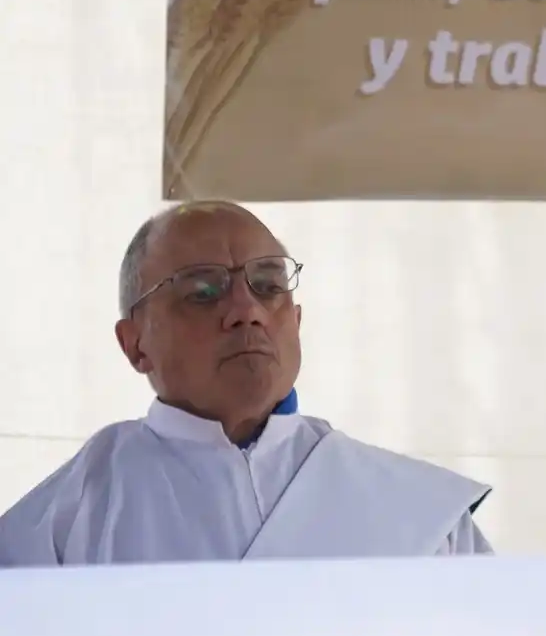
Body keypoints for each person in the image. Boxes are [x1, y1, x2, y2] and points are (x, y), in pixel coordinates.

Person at [0, 201, 493, 564]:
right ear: (135, 344)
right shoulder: (67, 519)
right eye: (203, 292)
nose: (246, 312)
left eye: (269, 286)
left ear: (296, 321)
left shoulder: (420, 514)